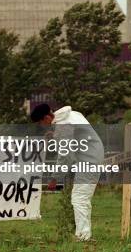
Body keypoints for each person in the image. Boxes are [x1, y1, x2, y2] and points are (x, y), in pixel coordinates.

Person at [30, 103, 103, 242]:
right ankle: (83, 235)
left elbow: (65, 156)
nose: (41, 125)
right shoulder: (71, 114)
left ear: (46, 117)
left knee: (79, 198)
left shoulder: (62, 127)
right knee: (82, 198)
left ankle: (83, 237)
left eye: (40, 122)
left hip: (88, 159)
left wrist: (54, 178)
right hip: (92, 154)